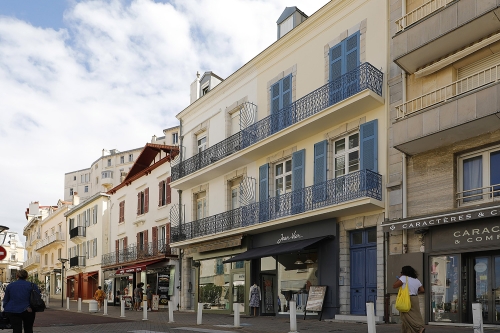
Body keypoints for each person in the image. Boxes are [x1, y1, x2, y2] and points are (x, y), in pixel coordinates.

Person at [393, 266, 425, 333]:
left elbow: (394, 286)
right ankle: (409, 330)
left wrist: (399, 277)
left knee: (406, 316)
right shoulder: (416, 280)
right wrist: (415, 292)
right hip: (415, 298)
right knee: (416, 315)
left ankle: (419, 328)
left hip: (407, 299)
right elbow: (422, 290)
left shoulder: (403, 278)